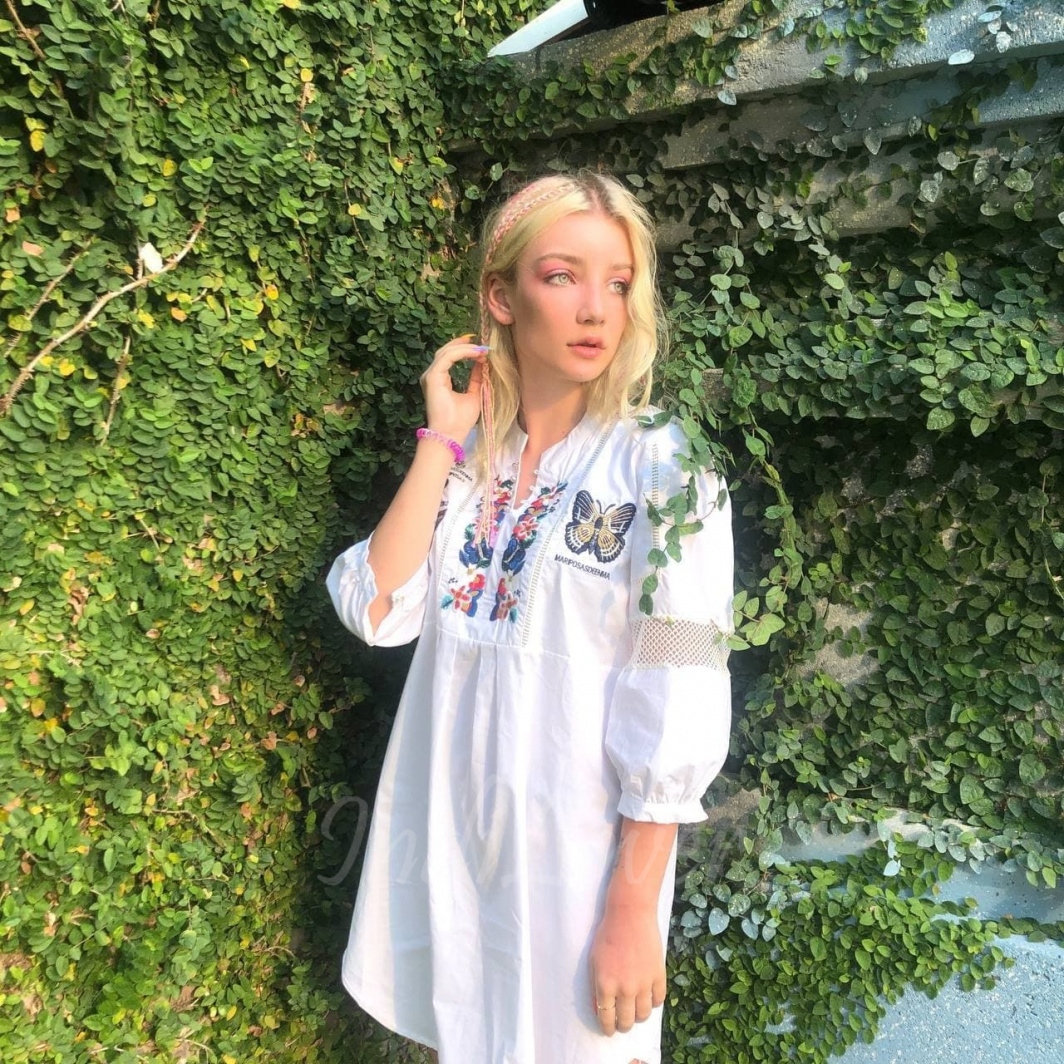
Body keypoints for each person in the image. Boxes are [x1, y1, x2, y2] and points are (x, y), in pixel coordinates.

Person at [325, 169, 735, 1064]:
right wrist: (443, 439)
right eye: (562, 276)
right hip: (450, 845)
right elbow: (375, 608)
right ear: (501, 297)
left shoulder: (663, 466)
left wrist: (634, 906)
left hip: (579, 872)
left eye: (618, 283)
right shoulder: (471, 462)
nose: (596, 309)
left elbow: (681, 683)